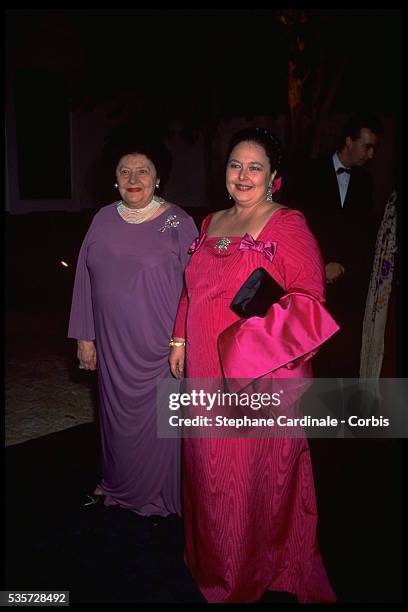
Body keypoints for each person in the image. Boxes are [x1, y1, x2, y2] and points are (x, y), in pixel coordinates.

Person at [169, 127, 339, 603]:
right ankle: (211, 560)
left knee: (247, 478)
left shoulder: (286, 225)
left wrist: (247, 351)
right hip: (203, 365)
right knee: (207, 469)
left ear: (274, 178)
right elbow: (192, 288)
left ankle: (247, 572)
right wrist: (180, 335)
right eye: (235, 165)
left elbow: (310, 301)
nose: (243, 175)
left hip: (254, 375)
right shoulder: (209, 224)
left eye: (255, 167)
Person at [68, 138, 197, 515]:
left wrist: (184, 339)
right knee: (115, 419)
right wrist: (84, 336)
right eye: (125, 171)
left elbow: (197, 286)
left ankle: (163, 498)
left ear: (158, 179)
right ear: (114, 179)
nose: (133, 178)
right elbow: (83, 280)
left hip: (162, 345)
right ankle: (118, 484)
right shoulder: (102, 219)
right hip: (113, 345)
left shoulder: (178, 221)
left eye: (143, 171)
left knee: (162, 424)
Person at [298, 113, 383, 377]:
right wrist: (320, 265)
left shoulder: (366, 183)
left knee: (340, 360)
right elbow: (299, 225)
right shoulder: (309, 172)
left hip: (345, 287)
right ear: (349, 140)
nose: (370, 154)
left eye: (373, 148)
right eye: (366, 146)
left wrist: (344, 267)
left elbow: (363, 235)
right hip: (311, 278)